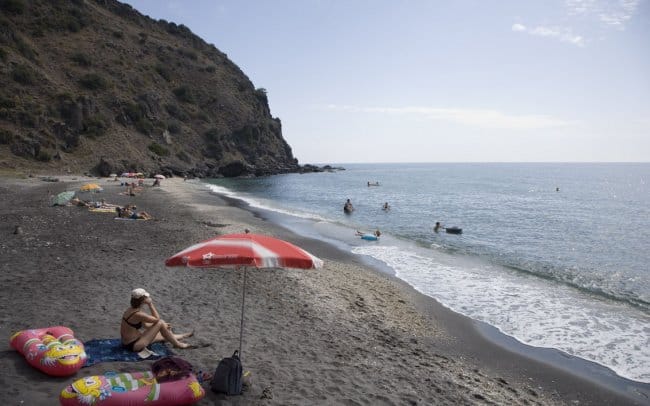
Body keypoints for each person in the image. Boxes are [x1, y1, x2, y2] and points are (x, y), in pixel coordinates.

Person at [121, 288, 194, 351]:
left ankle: (182, 336)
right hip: (134, 345)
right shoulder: (138, 314)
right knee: (161, 322)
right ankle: (178, 345)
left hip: (133, 341)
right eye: (146, 298)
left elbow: (146, 326)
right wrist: (150, 304)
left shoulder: (130, 310)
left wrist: (162, 327)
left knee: (163, 334)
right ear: (143, 300)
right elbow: (157, 319)